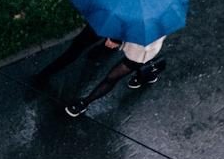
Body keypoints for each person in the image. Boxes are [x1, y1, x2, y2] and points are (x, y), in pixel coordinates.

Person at [27, 25, 166, 117]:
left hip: (141, 42)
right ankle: (46, 74)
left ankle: (85, 102)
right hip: (114, 25)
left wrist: (117, 38)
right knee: (78, 47)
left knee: (115, 75)